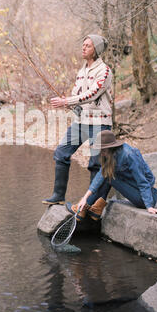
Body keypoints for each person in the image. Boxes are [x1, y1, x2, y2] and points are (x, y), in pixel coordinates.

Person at [42, 34, 113, 205]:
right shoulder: (81, 71)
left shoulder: (104, 71)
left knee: (95, 164)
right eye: (83, 45)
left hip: (100, 122)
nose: (83, 48)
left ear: (96, 50)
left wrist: (67, 101)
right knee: (61, 153)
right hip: (81, 122)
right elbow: (77, 94)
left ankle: (91, 204)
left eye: (88, 46)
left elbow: (92, 94)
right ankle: (58, 196)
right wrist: (69, 103)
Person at [66, 130, 157, 221]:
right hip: (135, 191)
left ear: (110, 148)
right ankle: (94, 209)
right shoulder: (110, 155)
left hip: (144, 198)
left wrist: (149, 206)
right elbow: (99, 176)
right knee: (105, 174)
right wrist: (85, 198)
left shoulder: (128, 155)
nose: (101, 152)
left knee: (109, 176)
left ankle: (86, 208)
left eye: (102, 149)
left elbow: (142, 181)